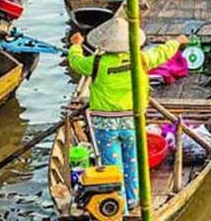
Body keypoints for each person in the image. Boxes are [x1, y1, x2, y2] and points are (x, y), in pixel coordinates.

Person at [68, 17, 189, 214]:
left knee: (112, 166)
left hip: (105, 125)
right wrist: (177, 41)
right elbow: (162, 52)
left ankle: (119, 209)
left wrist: (75, 46)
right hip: (132, 122)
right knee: (132, 160)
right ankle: (132, 200)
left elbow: (76, 62)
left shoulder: (96, 62)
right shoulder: (140, 58)